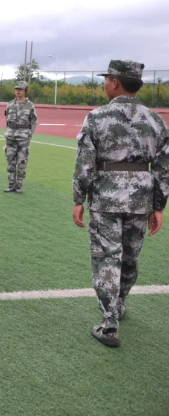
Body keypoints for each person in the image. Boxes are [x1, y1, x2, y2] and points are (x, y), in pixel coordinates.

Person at [72, 59, 168, 348]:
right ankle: (120, 303)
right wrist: (159, 205)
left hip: (106, 196)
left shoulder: (97, 117)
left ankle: (109, 323)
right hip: (141, 198)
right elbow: (163, 167)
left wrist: (78, 198)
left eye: (107, 79)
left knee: (107, 258)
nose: (105, 83)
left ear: (114, 82)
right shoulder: (156, 120)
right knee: (129, 257)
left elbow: (85, 163)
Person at [4, 81, 38, 193]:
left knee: (22, 162)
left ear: (25, 91)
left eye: (20, 89)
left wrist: (29, 134)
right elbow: (7, 120)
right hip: (10, 137)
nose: (17, 91)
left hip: (23, 138)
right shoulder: (10, 104)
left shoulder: (29, 105)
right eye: (16, 89)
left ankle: (18, 186)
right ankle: (11, 185)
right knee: (10, 162)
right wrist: (8, 131)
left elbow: (34, 121)